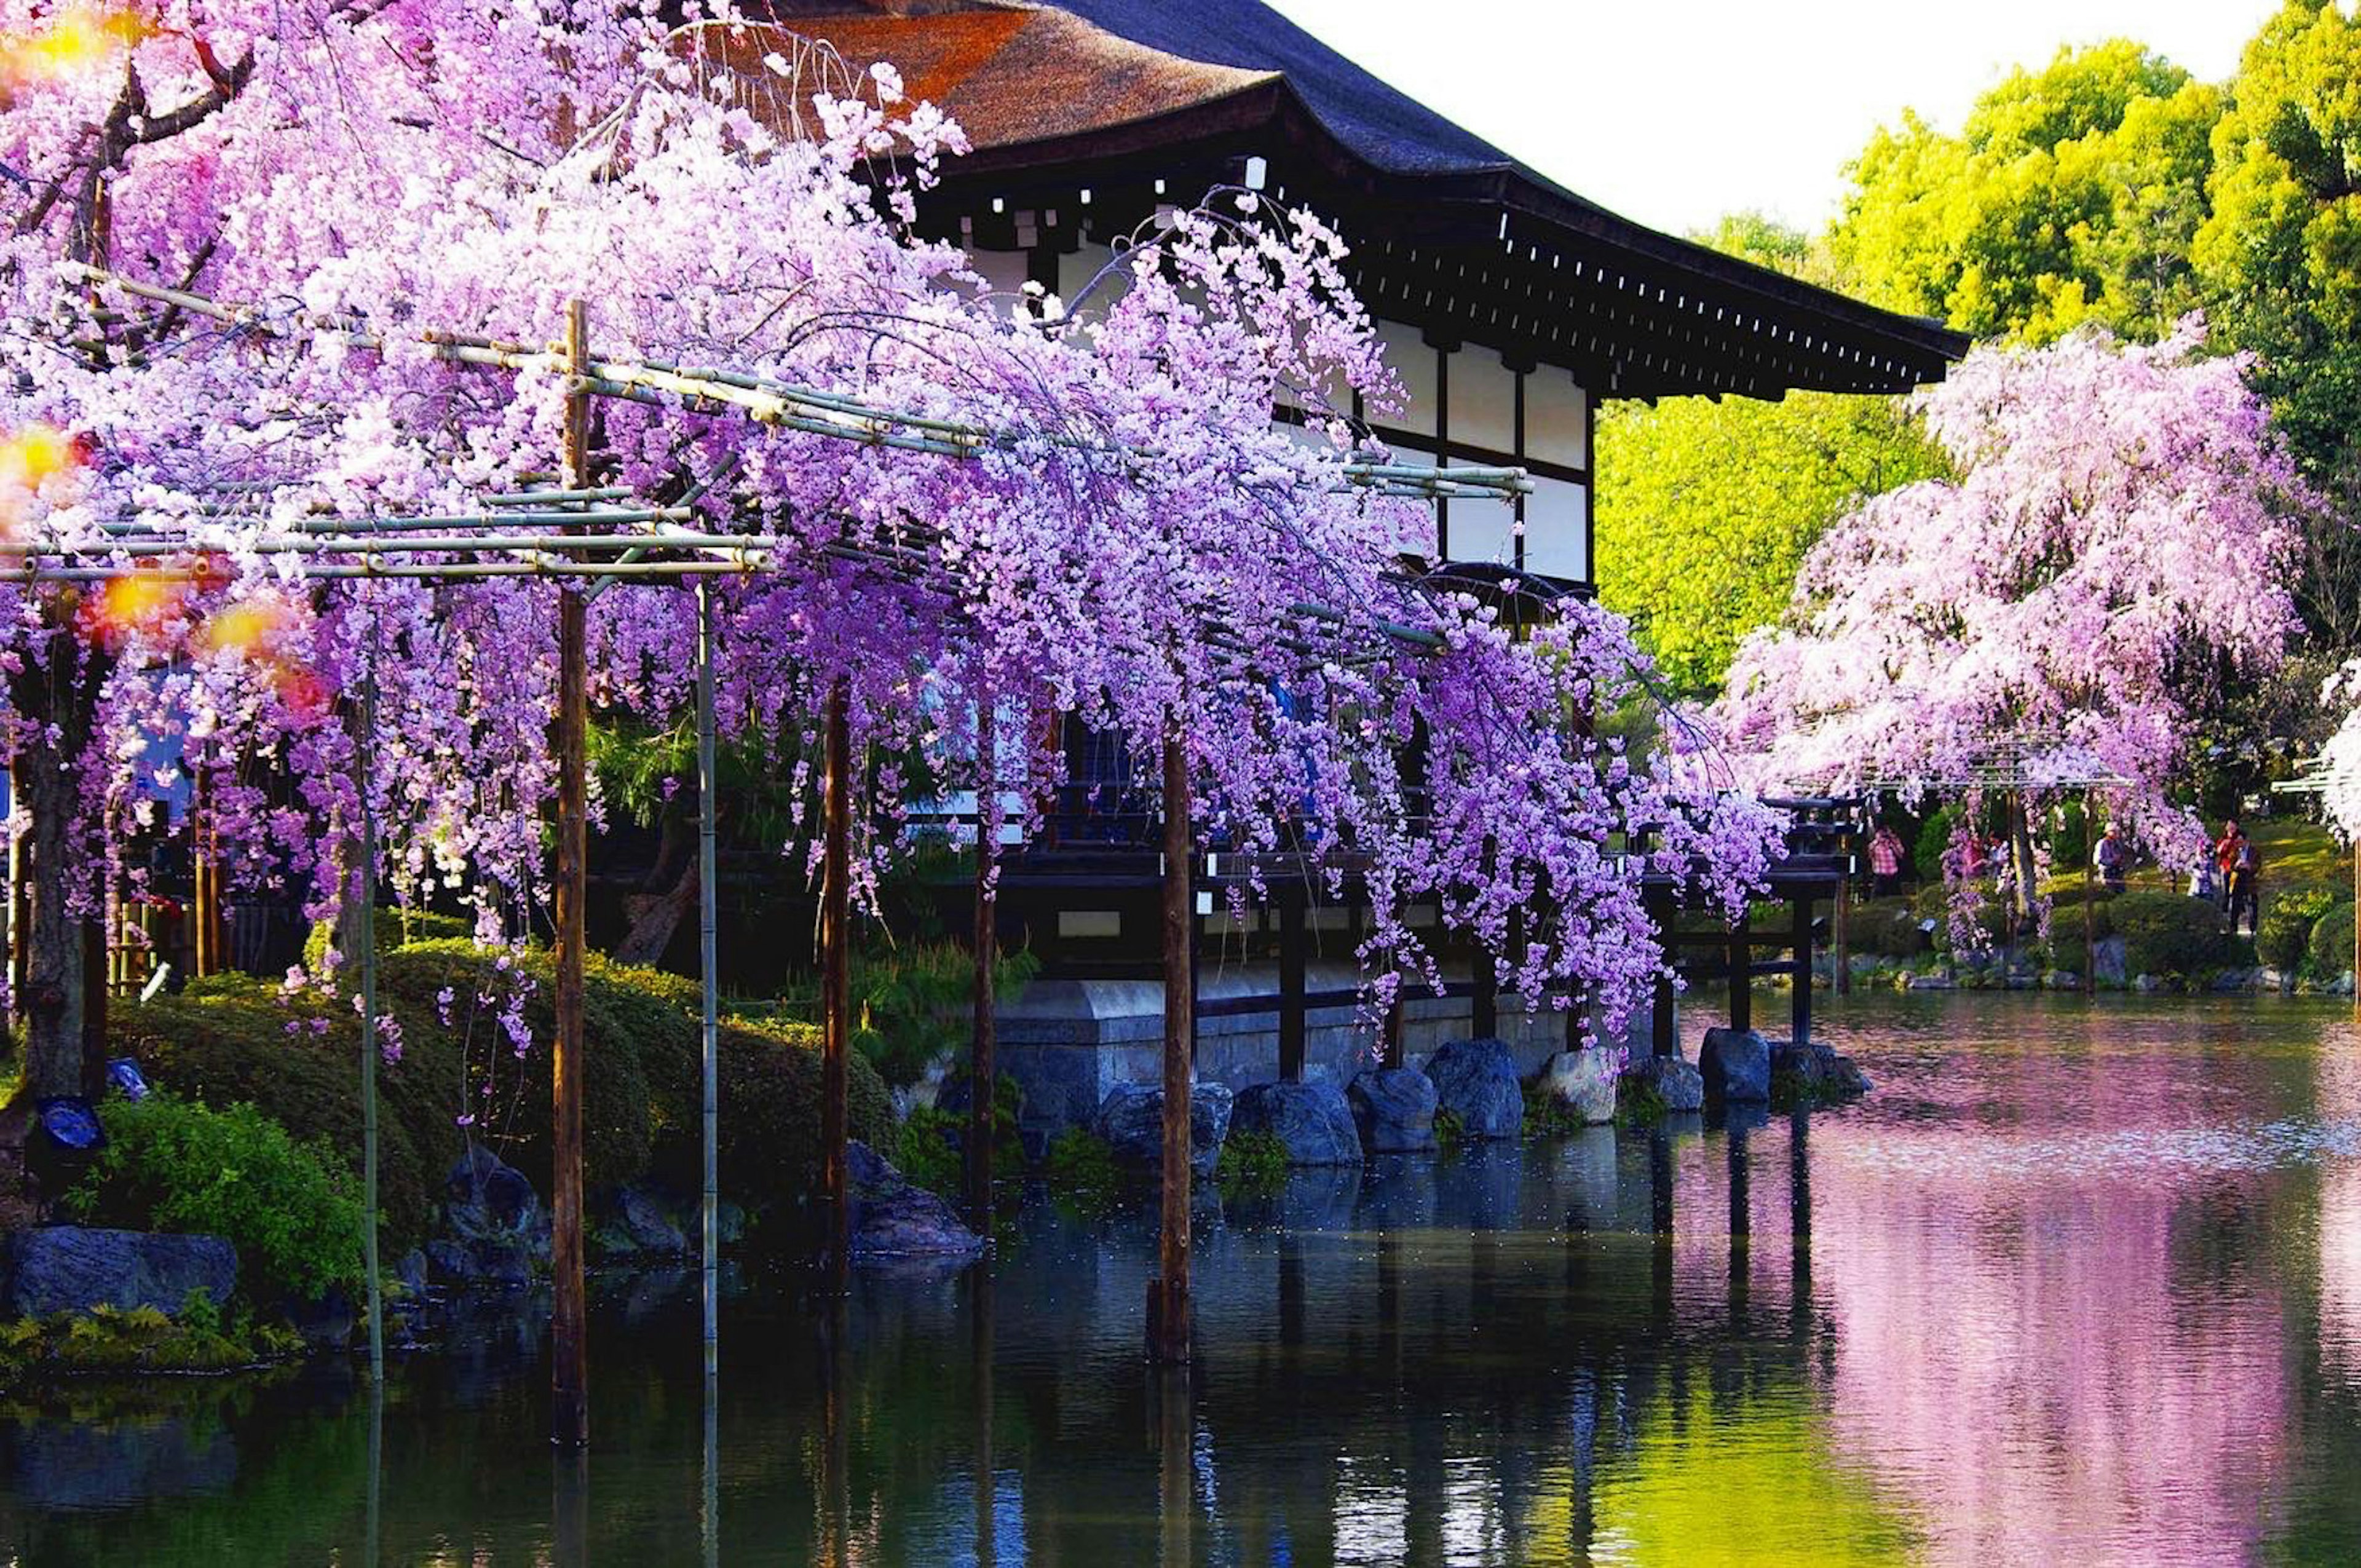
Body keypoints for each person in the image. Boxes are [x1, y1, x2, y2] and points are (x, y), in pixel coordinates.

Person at [2229, 830, 2261, 937]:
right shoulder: (2235, 851)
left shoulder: (2254, 851)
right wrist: (2236, 866)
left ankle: (2253, 928)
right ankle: (2233, 929)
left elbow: (2258, 866)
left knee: (2252, 905)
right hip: (2238, 880)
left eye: (2241, 842)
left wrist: (2249, 867)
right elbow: (2230, 865)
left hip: (2250, 880)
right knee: (2235, 905)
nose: (2239, 845)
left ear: (2246, 841)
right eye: (2237, 842)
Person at [2213, 819, 2245, 917]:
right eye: (2230, 826)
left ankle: (2240, 909)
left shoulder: (2240, 838)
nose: (2232, 828)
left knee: (2238, 889)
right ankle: (2225, 910)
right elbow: (2218, 852)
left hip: (2237, 867)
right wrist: (2224, 844)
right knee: (2225, 889)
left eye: (2234, 826)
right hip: (2226, 867)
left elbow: (2244, 850)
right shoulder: (2223, 839)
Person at [1869, 825, 1905, 897]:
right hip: (1880, 874)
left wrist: (1893, 844)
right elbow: (1871, 856)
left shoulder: (1894, 842)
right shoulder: (1875, 844)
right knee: (1878, 897)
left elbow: (1901, 855)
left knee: (1895, 897)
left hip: (1893, 873)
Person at [2094, 822, 2129, 893]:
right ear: (2107, 832)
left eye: (2116, 831)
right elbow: (2097, 860)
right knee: (2110, 893)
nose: (2116, 833)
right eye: (2113, 831)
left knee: (2122, 893)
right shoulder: (2102, 843)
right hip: (2107, 873)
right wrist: (2112, 861)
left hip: (2118, 872)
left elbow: (2122, 855)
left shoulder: (2118, 843)